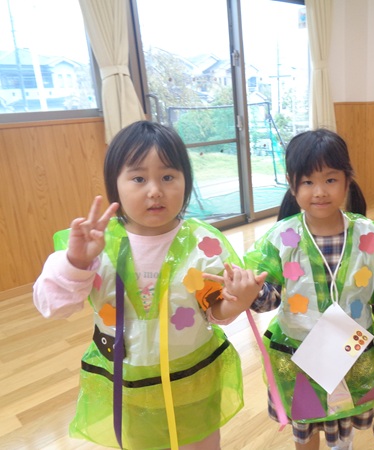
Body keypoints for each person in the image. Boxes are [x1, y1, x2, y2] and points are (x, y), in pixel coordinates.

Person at [33, 121, 265, 450]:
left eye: (168, 177)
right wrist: (76, 262)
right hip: (130, 389)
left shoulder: (204, 244)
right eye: (139, 178)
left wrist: (238, 301)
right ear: (115, 185)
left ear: (186, 181)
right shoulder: (95, 246)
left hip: (193, 382)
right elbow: (54, 307)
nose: (155, 190)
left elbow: (214, 311)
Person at [212, 129, 374, 450]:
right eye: (308, 182)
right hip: (299, 351)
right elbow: (269, 297)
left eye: (330, 180)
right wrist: (249, 294)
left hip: (353, 349)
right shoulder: (281, 239)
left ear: (347, 179)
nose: (320, 191)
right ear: (292, 184)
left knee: (344, 418)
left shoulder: (372, 239)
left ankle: (342, 444)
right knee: (306, 420)